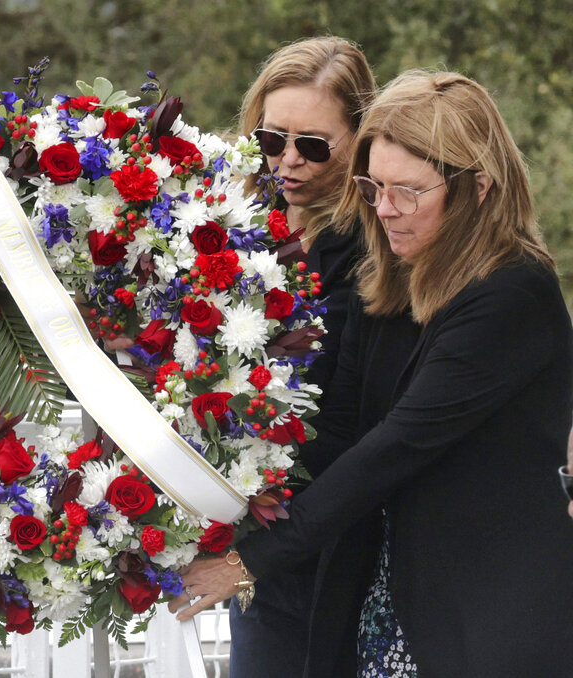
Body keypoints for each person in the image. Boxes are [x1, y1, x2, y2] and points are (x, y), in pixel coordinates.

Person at [173, 70, 573, 677]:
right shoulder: (393, 275)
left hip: (491, 608)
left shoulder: (512, 292)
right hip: (394, 596)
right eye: (373, 186)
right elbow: (341, 431)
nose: (383, 210)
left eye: (407, 191)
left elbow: (392, 448)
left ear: (480, 186)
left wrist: (248, 561)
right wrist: (213, 501)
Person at [226, 36, 377, 677]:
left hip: (336, 543)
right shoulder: (240, 224)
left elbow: (349, 418)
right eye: (270, 139)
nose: (287, 161)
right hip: (256, 533)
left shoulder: (374, 253)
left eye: (313, 146)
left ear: (361, 141)